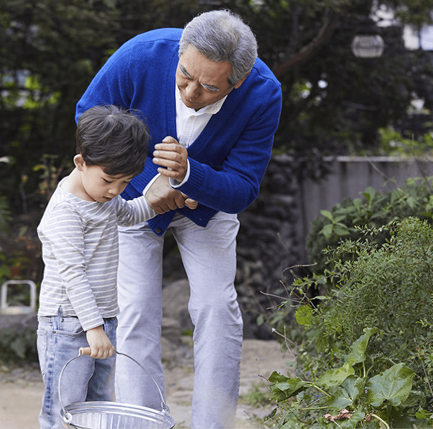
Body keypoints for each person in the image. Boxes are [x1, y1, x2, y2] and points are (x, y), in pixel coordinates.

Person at [75, 9, 282, 428]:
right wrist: (151, 183)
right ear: (180, 52)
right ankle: (143, 420)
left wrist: (190, 178)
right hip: (132, 199)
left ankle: (213, 422)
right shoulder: (143, 54)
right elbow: (89, 116)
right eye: (184, 75)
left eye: (208, 87)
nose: (190, 92)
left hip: (208, 209)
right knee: (135, 310)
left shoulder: (262, 92)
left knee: (216, 308)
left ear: (236, 81)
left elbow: (243, 186)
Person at [36, 105, 158, 429]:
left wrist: (160, 199)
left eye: (125, 182)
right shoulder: (67, 211)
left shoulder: (102, 196)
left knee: (99, 408)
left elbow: (129, 214)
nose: (116, 190)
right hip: (68, 325)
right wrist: (92, 329)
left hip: (103, 319)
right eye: (109, 180)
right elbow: (72, 275)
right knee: (64, 410)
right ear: (81, 162)